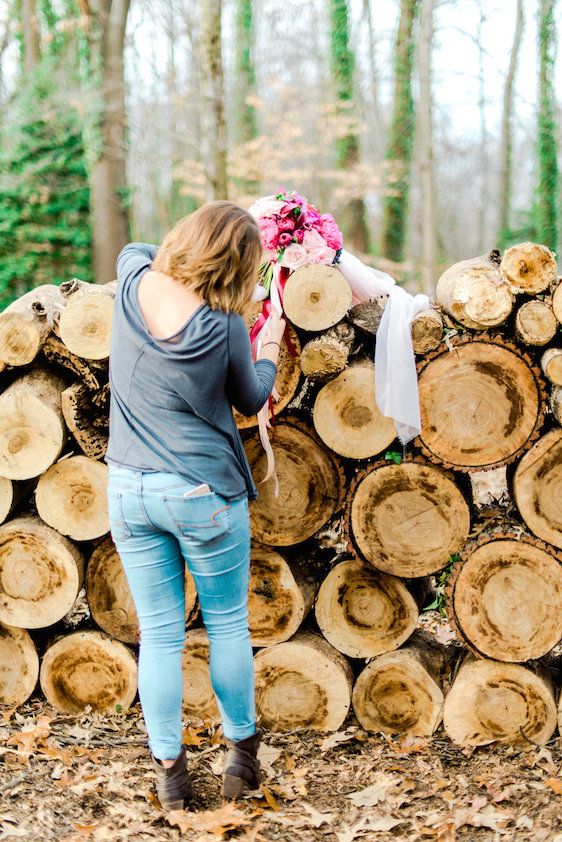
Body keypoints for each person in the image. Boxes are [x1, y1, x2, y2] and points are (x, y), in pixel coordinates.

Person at [105, 201, 285, 810]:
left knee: (158, 636)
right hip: (200, 493)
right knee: (228, 623)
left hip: (129, 490)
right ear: (239, 266)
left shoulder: (132, 282)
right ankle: (241, 759)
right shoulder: (225, 326)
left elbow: (137, 249)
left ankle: (172, 777)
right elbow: (250, 395)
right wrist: (270, 352)